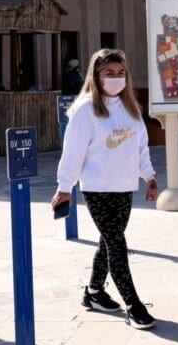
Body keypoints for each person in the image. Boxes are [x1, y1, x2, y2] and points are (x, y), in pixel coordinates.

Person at [51, 49, 159, 330]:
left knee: (109, 240)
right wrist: (65, 188)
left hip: (124, 188)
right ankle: (133, 304)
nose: (116, 78)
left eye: (120, 73)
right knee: (116, 243)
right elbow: (73, 153)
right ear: (96, 77)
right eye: (109, 73)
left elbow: (140, 148)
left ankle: (94, 292)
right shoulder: (85, 110)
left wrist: (149, 177)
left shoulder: (131, 108)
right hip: (97, 189)